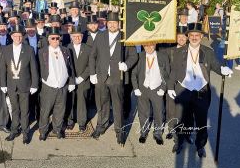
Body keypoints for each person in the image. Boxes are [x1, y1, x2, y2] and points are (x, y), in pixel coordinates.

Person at [167, 23, 233, 157]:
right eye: (192, 35)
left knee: (201, 121)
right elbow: (174, 70)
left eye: (197, 35)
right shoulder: (179, 51)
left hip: (201, 92)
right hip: (183, 89)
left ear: (201, 36)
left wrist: (222, 70)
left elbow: (215, 65)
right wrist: (169, 86)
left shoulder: (208, 51)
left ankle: (200, 145)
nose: (194, 37)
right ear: (188, 36)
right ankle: (179, 141)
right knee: (182, 119)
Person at [89, 12, 138, 144]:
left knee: (118, 105)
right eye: (109, 23)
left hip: (117, 77)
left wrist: (126, 65)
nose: (112, 25)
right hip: (101, 76)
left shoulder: (125, 37)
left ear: (119, 24)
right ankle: (101, 126)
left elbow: (134, 56)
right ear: (106, 24)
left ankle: (119, 131)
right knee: (101, 103)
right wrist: (92, 73)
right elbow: (92, 56)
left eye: (114, 23)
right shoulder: (100, 35)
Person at [0, 24, 39, 144]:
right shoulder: (6, 49)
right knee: (14, 109)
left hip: (25, 85)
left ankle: (26, 133)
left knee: (25, 110)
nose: (17, 38)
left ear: (23, 36)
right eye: (15, 36)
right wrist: (3, 84)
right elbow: (2, 68)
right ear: (11, 37)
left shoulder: (29, 49)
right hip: (11, 85)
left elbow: (34, 68)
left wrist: (34, 84)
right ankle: (14, 130)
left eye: (20, 36)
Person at [37, 27, 75, 140]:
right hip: (49, 86)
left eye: (57, 38)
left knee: (60, 109)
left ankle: (57, 129)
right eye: (53, 38)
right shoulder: (42, 51)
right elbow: (37, 68)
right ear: (48, 39)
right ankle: (43, 131)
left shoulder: (65, 50)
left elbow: (70, 67)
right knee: (45, 110)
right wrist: (41, 80)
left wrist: (71, 81)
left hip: (62, 86)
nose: (55, 40)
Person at [131, 43, 170, 145]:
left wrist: (163, 88)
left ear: (155, 45)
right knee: (143, 112)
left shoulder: (163, 56)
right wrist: (136, 88)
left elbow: (167, 74)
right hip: (143, 88)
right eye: (146, 46)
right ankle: (143, 132)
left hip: (157, 88)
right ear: (143, 46)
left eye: (151, 45)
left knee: (159, 112)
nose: (149, 48)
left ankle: (158, 134)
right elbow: (133, 74)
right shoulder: (139, 56)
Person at [66, 26, 91, 132]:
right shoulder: (66, 48)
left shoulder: (88, 48)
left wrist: (82, 77)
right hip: (70, 79)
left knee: (82, 101)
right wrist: (71, 78)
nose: (77, 38)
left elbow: (91, 65)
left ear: (82, 37)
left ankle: (82, 122)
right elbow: (64, 65)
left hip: (83, 80)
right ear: (71, 37)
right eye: (75, 36)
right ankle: (70, 121)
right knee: (70, 101)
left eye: (79, 36)